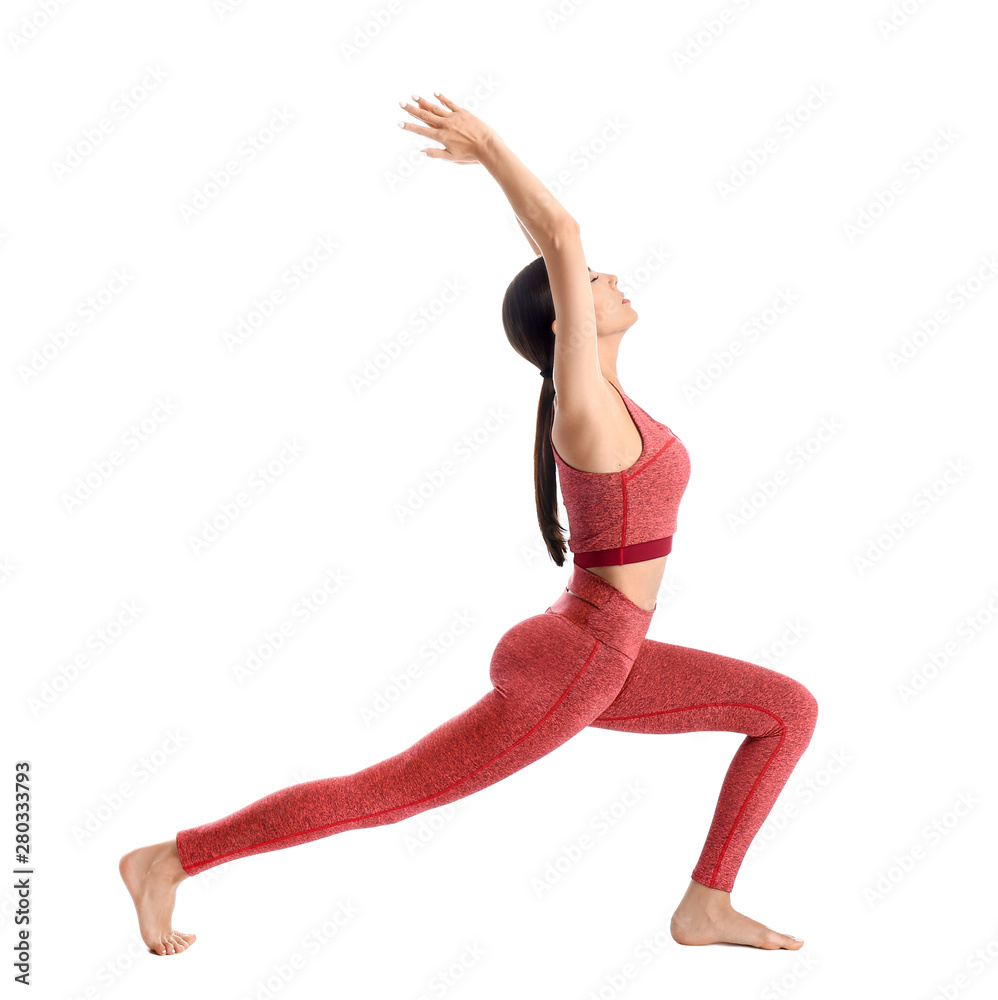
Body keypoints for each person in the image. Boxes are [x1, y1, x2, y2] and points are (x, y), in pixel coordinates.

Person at [119, 92, 818, 956]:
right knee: (386, 793)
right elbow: (560, 239)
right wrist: (488, 146)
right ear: (565, 325)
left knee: (786, 709)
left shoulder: (606, 398)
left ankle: (706, 904)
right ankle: (171, 859)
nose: (609, 274)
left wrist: (511, 198)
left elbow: (554, 250)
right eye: (596, 281)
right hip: (580, 660)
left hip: (598, 649)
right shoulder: (583, 410)